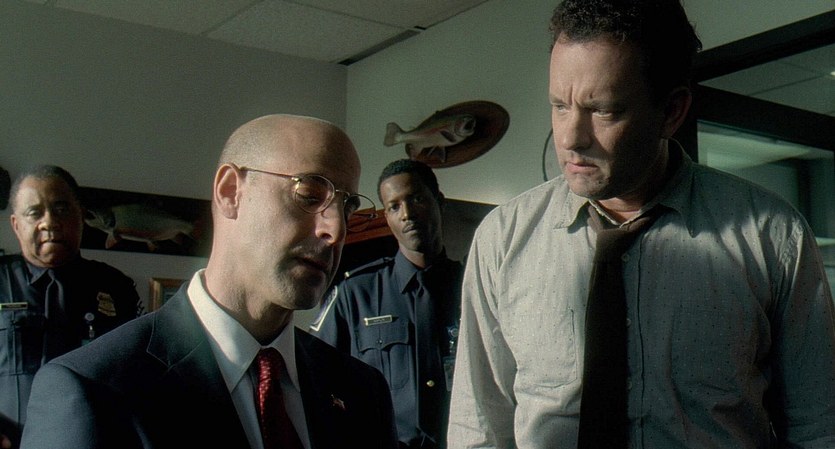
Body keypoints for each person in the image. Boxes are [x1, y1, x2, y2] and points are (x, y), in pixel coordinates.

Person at [447, 0, 835, 448]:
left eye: (603, 110)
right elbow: (479, 428)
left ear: (671, 111)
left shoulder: (771, 236)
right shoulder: (502, 239)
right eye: (559, 106)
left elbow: (820, 426)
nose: (570, 137)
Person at [19, 114, 399, 449]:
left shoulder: (362, 391)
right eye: (310, 195)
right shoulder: (93, 390)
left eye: (347, 207)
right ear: (230, 192)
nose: (335, 230)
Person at [311, 158, 463, 449]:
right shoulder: (355, 295)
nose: (407, 214)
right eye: (394, 206)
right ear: (387, 216)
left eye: (416, 199)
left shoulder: (472, 287)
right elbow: (315, 381)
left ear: (439, 202)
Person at [0, 165, 140, 449]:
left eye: (61, 209)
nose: (49, 222)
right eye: (35, 213)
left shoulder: (116, 287)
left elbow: (137, 376)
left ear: (81, 216)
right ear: (16, 224)